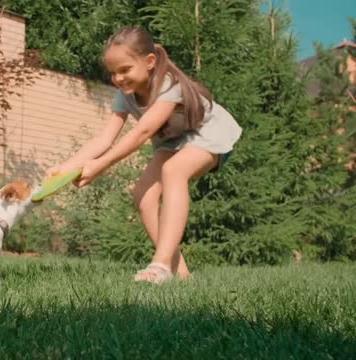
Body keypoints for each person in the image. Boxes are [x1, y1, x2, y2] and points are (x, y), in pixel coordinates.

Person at [46, 26, 242, 284]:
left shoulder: (168, 84)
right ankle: (180, 274)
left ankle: (160, 265)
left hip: (209, 133)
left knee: (174, 171)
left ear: (149, 62)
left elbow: (142, 132)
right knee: (143, 195)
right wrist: (66, 167)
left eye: (125, 69)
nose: (118, 78)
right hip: (173, 141)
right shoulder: (124, 96)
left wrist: (100, 166)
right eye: (113, 73)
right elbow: (104, 139)